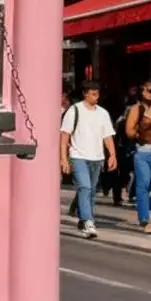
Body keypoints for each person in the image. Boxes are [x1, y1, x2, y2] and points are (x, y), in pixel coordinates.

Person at [60, 80, 117, 240]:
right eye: (93, 93)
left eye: (97, 94)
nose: (96, 97)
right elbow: (65, 135)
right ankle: (88, 221)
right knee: (84, 187)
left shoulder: (103, 113)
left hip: (97, 158)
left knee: (91, 191)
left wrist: (112, 155)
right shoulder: (74, 111)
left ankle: (84, 218)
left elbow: (108, 136)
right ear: (85, 94)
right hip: (78, 156)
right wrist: (64, 159)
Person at [125, 80, 151, 232]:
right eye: (149, 90)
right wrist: (140, 132)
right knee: (143, 185)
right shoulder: (137, 109)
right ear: (142, 92)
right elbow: (129, 131)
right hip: (144, 151)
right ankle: (144, 219)